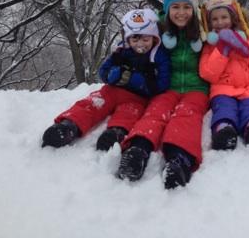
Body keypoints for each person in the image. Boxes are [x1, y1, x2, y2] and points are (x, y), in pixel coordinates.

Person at [116, 0, 209, 189]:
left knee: (187, 115)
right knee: (156, 112)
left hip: (197, 88)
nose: (181, 13)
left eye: (186, 7)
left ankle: (180, 157)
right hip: (167, 86)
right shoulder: (158, 30)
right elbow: (136, 43)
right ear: (167, 9)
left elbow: (228, 25)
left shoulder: (203, 30)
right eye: (175, 7)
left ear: (194, 9)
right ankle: (138, 149)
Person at [41, 8, 170, 151]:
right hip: (111, 91)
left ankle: (115, 133)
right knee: (92, 103)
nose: (140, 44)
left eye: (146, 39)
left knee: (128, 114)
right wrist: (112, 74)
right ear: (128, 39)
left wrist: (138, 81)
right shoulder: (121, 51)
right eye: (135, 39)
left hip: (137, 98)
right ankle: (69, 125)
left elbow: (162, 84)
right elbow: (103, 71)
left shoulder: (159, 56)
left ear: (154, 38)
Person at [199, 0, 249, 150]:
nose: (220, 22)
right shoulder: (210, 46)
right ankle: (224, 130)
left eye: (224, 17)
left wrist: (244, 47)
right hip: (223, 90)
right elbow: (208, 73)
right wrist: (222, 50)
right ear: (209, 23)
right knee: (224, 109)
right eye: (215, 19)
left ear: (233, 18)